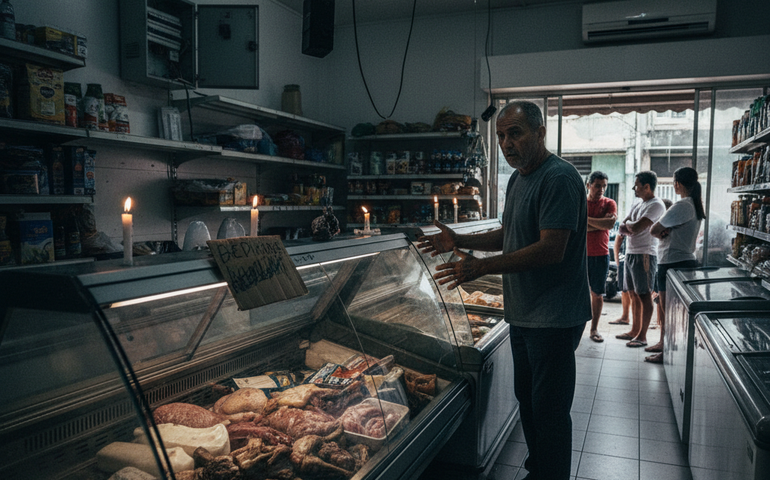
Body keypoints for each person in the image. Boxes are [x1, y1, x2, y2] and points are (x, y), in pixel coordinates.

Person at [417, 100, 590, 480]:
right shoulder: (518, 178)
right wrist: (459, 239)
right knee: (528, 401)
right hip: (525, 312)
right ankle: (540, 467)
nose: (506, 143)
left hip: (555, 316)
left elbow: (551, 249)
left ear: (540, 133)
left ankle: (552, 474)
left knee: (549, 408)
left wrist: (480, 267)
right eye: (500, 136)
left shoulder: (558, 178)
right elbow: (510, 235)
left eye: (515, 133)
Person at [645, 168, 705, 363]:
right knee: (665, 309)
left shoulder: (682, 205)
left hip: (672, 262)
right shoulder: (692, 204)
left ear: (677, 183)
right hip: (678, 260)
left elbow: (654, 229)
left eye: (674, 181)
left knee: (669, 311)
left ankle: (666, 353)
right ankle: (663, 343)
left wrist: (662, 230)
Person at [616, 171, 665, 349]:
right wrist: (629, 227)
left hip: (645, 254)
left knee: (644, 295)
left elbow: (635, 227)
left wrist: (629, 227)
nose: (633, 188)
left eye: (636, 185)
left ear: (646, 186)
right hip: (630, 251)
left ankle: (642, 336)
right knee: (633, 293)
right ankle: (634, 330)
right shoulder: (638, 202)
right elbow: (623, 224)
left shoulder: (657, 205)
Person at [586, 171, 617, 342]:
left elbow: (609, 224)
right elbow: (575, 227)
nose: (601, 189)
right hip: (580, 255)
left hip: (600, 254)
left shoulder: (609, 203)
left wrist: (585, 220)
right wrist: (599, 224)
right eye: (598, 185)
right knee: (577, 293)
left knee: (597, 293)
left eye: (604, 186)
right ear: (588, 185)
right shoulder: (580, 202)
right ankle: (576, 328)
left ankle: (594, 329)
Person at [609, 233, 632, 325]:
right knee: (624, 289)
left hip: (641, 256)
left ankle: (637, 319)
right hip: (624, 257)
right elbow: (618, 238)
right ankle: (625, 316)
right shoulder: (627, 222)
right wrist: (617, 259)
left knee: (638, 293)